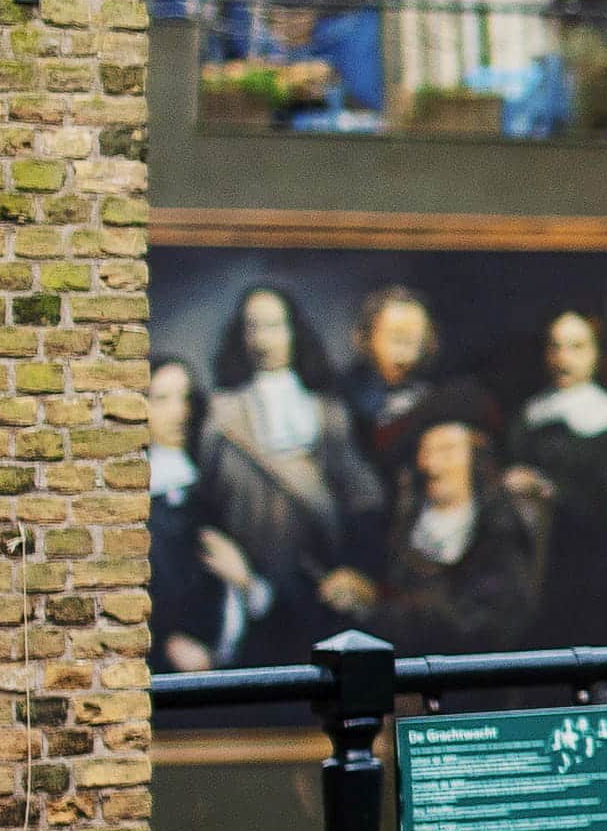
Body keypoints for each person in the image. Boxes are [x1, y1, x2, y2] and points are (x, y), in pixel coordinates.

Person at [202, 281, 380, 640]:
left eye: (274, 326)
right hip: (248, 586)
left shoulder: (328, 414)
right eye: (253, 327)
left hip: (317, 581)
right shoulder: (221, 416)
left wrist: (354, 571)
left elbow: (364, 499)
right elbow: (206, 502)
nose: (263, 339)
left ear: (293, 332)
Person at [375, 397, 552, 651]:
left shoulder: (500, 527)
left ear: (476, 457)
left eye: (447, 451)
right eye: (426, 452)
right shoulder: (402, 522)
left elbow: (496, 621)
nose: (431, 465)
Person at [514, 305, 607, 651]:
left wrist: (554, 492)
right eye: (556, 346)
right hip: (538, 561)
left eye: (577, 346)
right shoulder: (530, 416)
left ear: (597, 353)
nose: (563, 357)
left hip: (591, 562)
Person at [146, 357, 271, 672]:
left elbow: (253, 580)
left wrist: (245, 580)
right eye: (161, 399)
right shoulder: (146, 496)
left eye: (185, 398)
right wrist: (164, 641)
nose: (179, 411)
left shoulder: (211, 485)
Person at [343, 284, 444, 512]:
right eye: (395, 338)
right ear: (367, 338)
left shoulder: (431, 400)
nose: (404, 351)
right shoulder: (341, 400)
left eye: (414, 339)